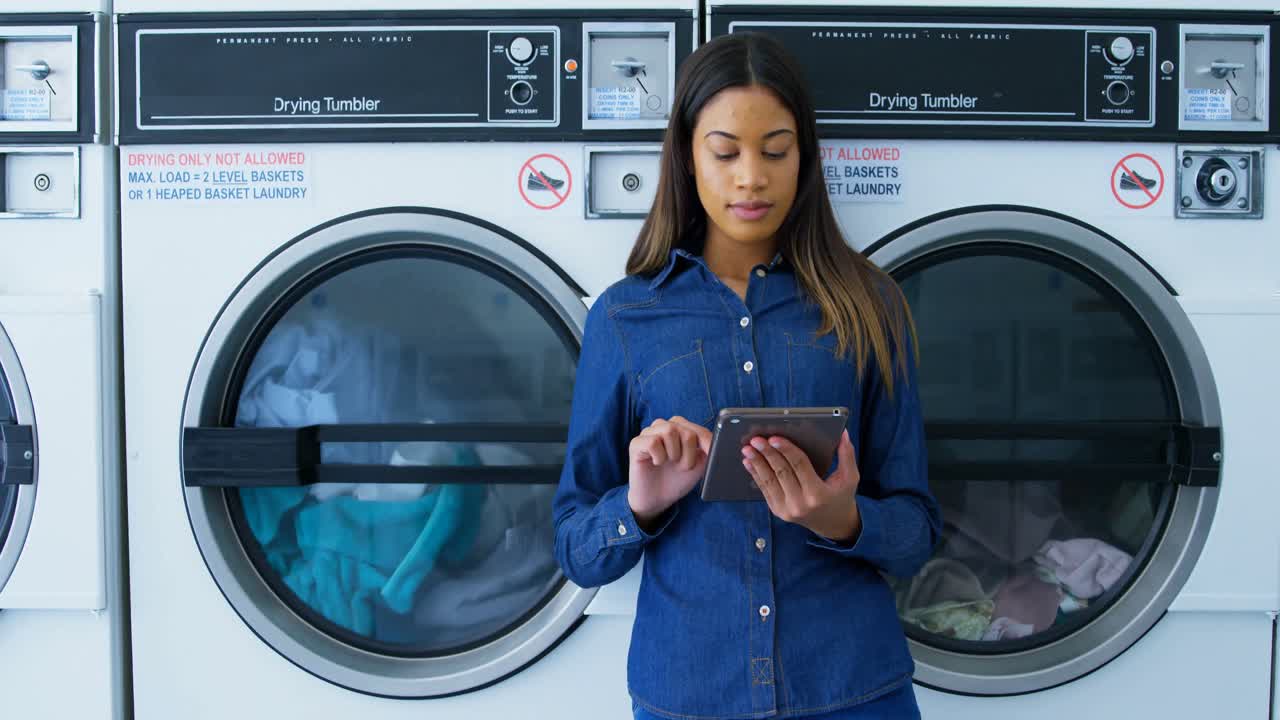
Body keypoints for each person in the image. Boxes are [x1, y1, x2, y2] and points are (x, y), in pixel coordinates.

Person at [552, 32, 941, 720]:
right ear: (686, 155)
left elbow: (916, 533)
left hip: (853, 688)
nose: (752, 177)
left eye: (776, 151)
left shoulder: (869, 305)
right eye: (726, 152)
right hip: (691, 694)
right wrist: (640, 505)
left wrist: (841, 518)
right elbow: (577, 551)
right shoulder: (625, 317)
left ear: (804, 158)